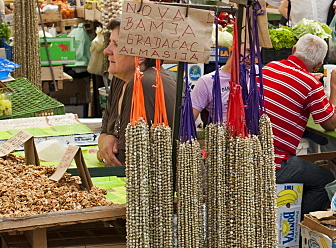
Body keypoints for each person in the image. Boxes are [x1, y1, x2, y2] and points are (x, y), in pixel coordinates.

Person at [262, 34, 336, 215]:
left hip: (249, 153)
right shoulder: (310, 84)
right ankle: (300, 229)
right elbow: (330, 123)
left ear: (293, 50)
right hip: (273, 162)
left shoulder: (269, 67)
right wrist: (335, 85)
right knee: (325, 180)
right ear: (317, 65)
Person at [98, 20, 178, 166]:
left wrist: (102, 150)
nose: (107, 50)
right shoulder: (121, 78)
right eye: (110, 43)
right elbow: (104, 131)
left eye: (116, 45)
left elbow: (122, 159)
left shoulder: (145, 82)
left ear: (140, 55)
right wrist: (105, 143)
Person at [190, 55, 235, 126]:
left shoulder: (255, 75)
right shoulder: (206, 81)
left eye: (256, 55)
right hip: (221, 134)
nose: (251, 57)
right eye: (248, 51)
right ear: (232, 51)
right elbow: (190, 119)